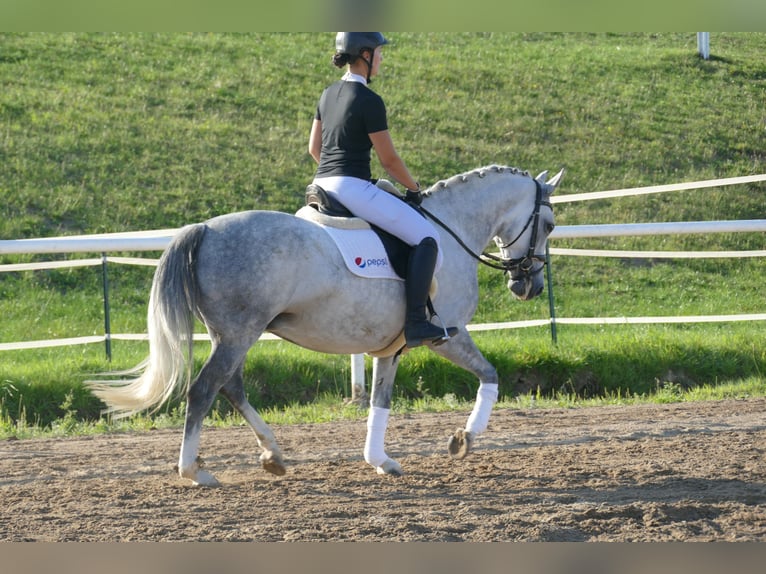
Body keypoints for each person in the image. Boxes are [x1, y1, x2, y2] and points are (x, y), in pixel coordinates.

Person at [308, 32, 457, 348]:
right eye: (378, 52)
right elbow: (389, 160)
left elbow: (313, 148)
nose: (381, 58)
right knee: (427, 238)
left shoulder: (327, 94)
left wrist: (336, 173)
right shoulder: (369, 101)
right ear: (364, 54)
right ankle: (417, 322)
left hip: (320, 183)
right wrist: (414, 188)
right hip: (351, 186)